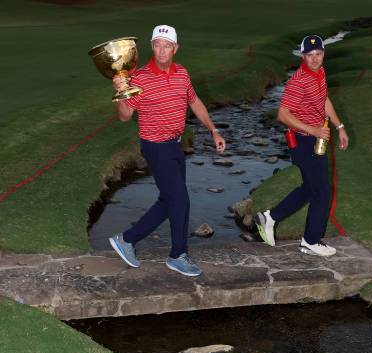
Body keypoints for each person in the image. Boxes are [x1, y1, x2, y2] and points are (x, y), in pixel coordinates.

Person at [109, 25, 226, 276]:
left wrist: (213, 130)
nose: (162, 50)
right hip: (155, 146)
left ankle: (126, 239)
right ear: (152, 47)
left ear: (175, 48)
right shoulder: (139, 78)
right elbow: (125, 116)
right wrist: (120, 93)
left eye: (167, 45)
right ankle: (177, 255)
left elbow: (194, 102)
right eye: (157, 45)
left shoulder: (182, 73)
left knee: (168, 200)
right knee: (180, 199)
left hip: (174, 145)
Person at [255, 35, 349, 257]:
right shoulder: (299, 81)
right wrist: (314, 130)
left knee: (310, 188)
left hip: (316, 140)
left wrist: (340, 126)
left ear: (323, 54)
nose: (314, 59)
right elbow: (282, 114)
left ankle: (270, 217)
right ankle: (310, 241)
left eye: (318, 54)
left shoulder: (320, 73)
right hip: (304, 142)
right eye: (310, 55)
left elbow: (324, 100)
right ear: (303, 56)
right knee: (322, 192)